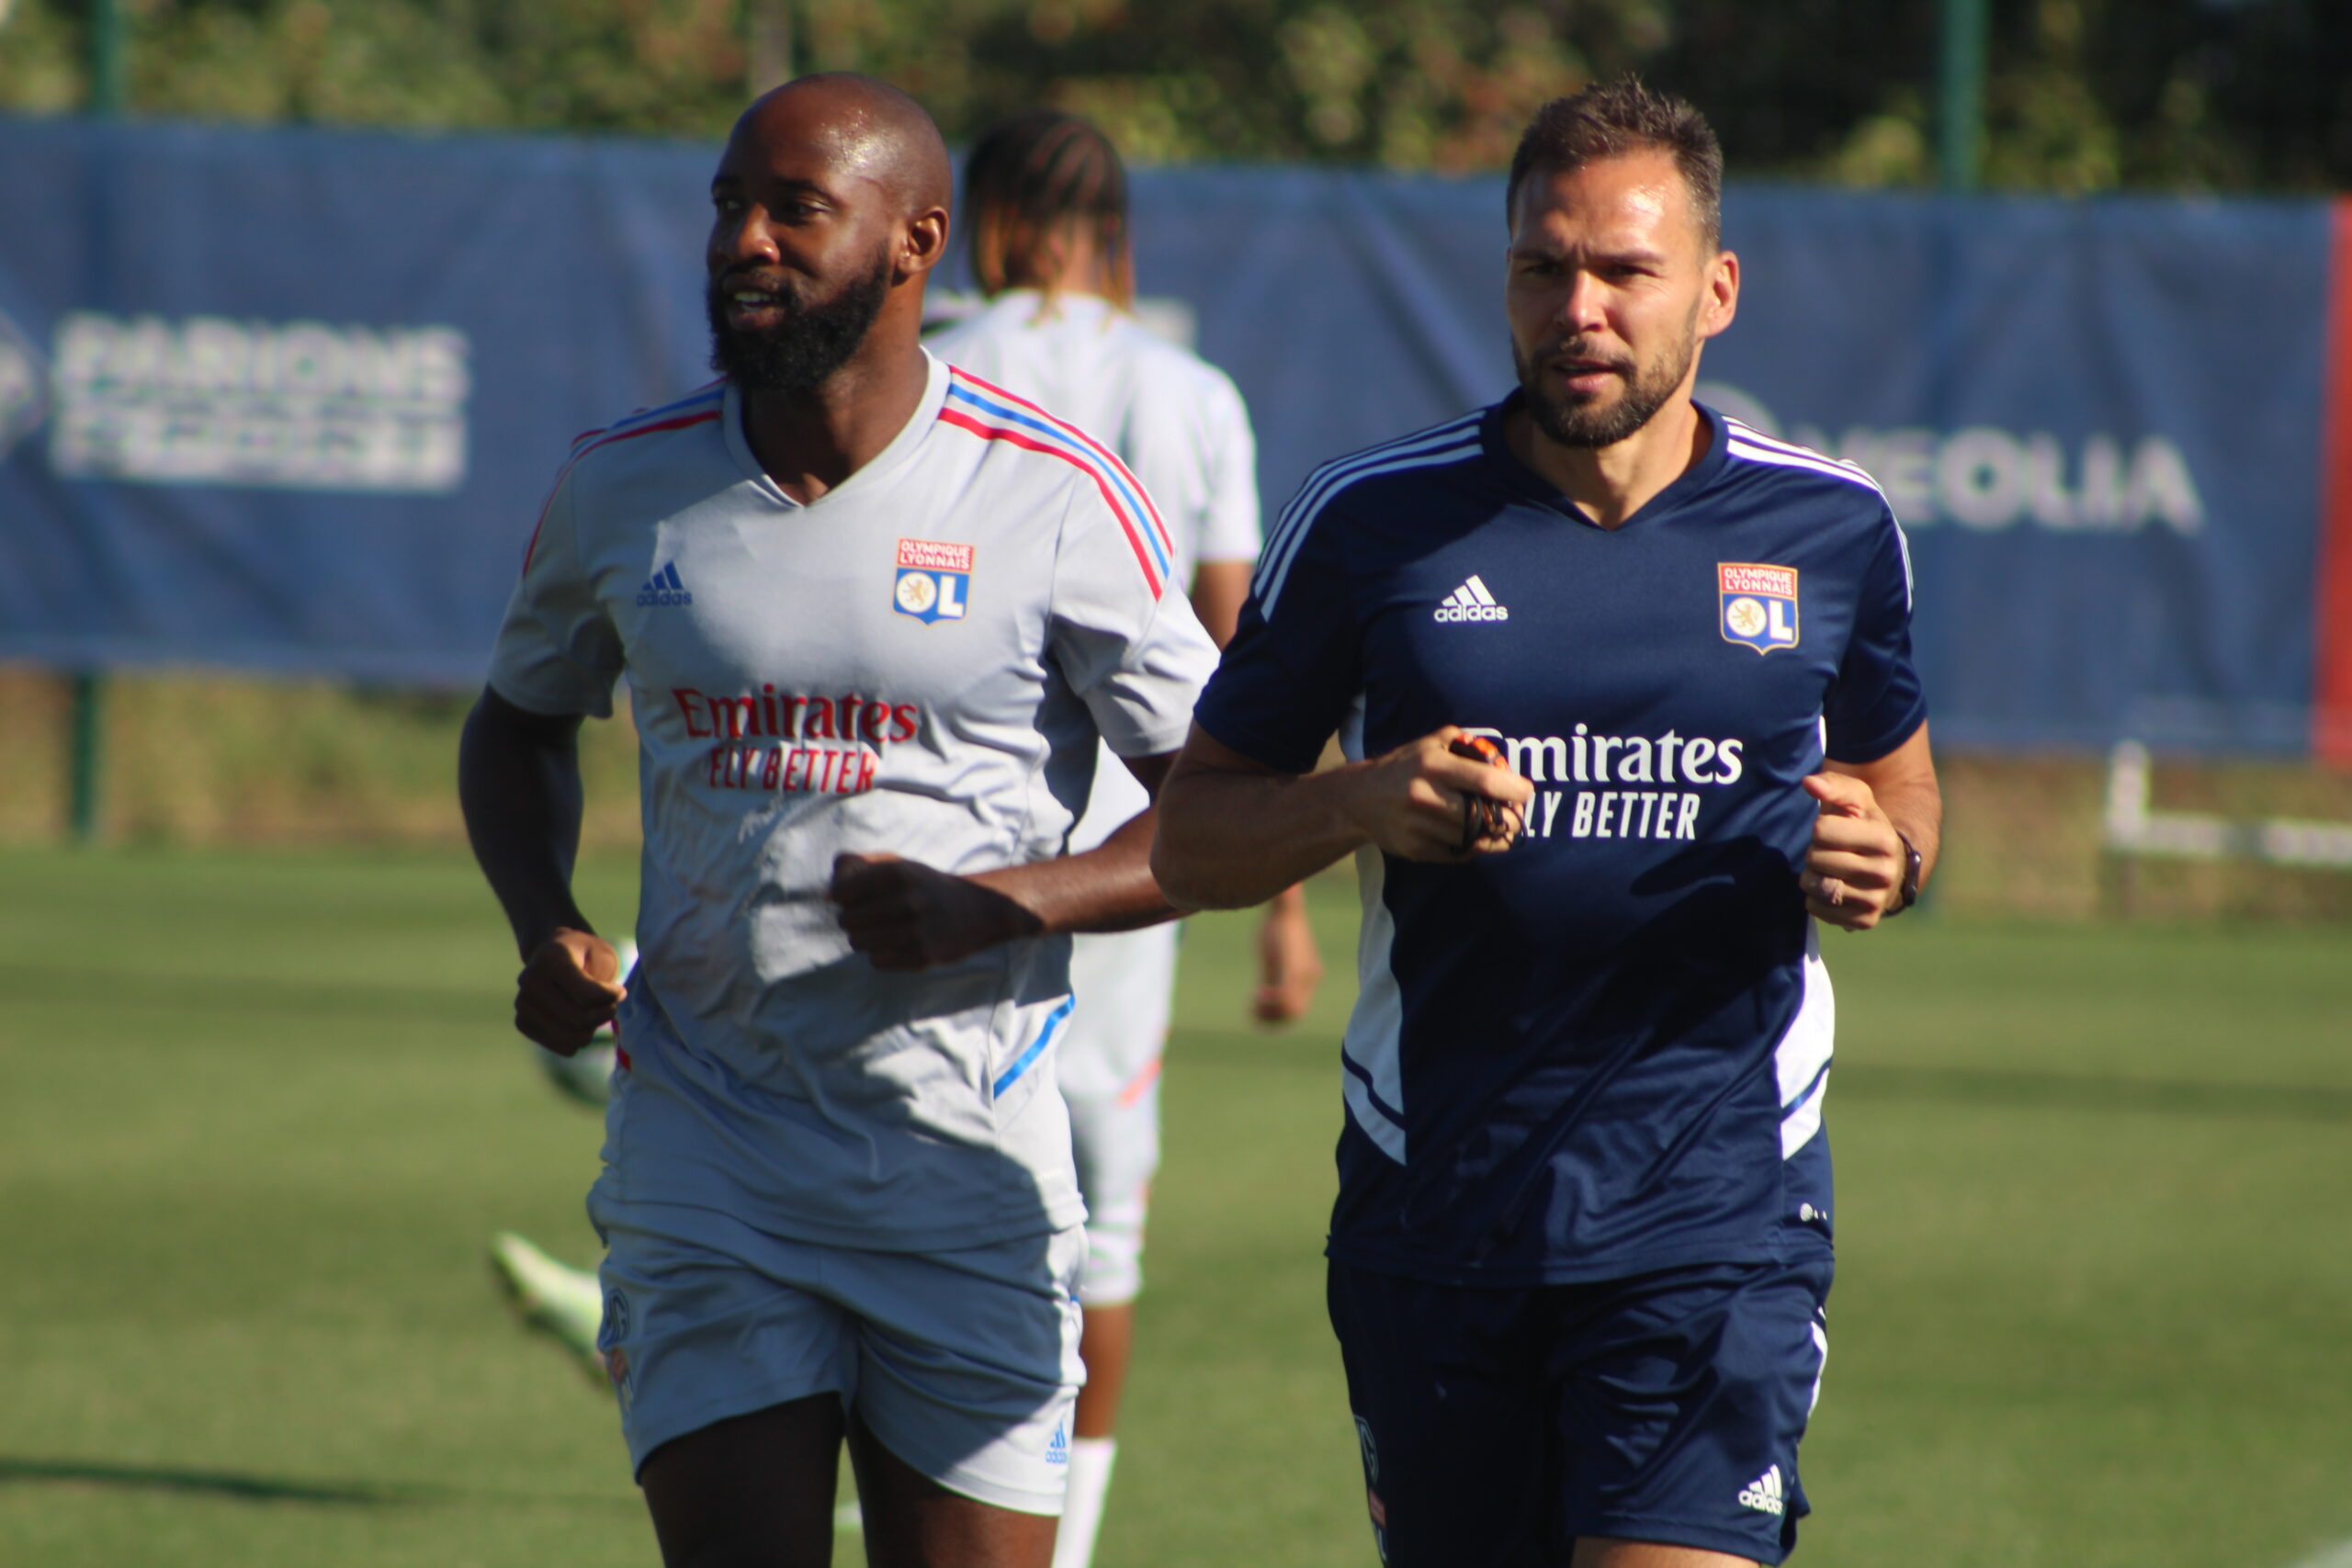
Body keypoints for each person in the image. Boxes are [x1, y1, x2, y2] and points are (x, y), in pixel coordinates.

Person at [1151, 78, 1940, 1568]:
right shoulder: (1372, 520)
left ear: (1714, 291)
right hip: (1435, 1203)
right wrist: (1359, 802)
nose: (1579, 307)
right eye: (1542, 267)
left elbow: (1904, 782)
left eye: (1623, 272)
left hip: (1719, 1208)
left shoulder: (1831, 530)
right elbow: (1194, 840)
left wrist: (1889, 852)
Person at [458, 72, 1218, 1568]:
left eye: (795, 209)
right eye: (731, 204)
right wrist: (542, 916)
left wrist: (1012, 901)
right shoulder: (626, 483)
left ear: (917, 240)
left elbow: (1227, 808)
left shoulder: (1059, 496)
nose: (745, 239)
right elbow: (517, 723)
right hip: (706, 1162)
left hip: (966, 1171)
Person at [923, 107, 1322, 1568]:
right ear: (1119, 235)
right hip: (1144, 850)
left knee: (894, 1150)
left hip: (955, 823)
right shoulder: (1192, 390)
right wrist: (1279, 901)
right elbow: (1235, 653)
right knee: (1103, 1214)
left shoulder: (938, 361)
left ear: (981, 223)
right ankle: (1061, 1541)